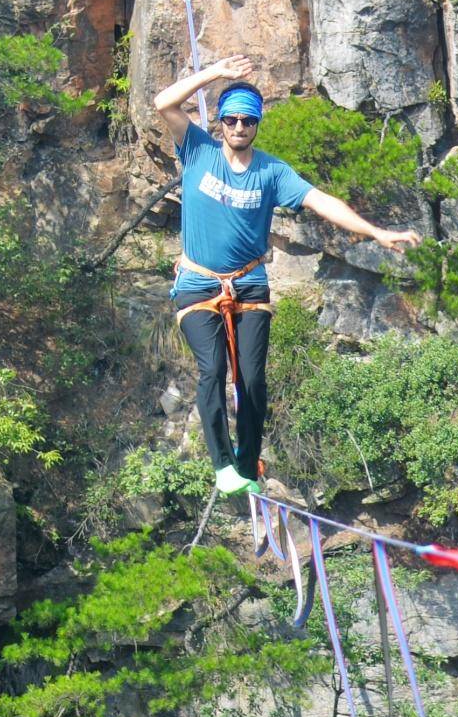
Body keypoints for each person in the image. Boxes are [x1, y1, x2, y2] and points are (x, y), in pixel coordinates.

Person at [134, 54, 421, 497]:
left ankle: (247, 464)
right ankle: (222, 465)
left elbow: (321, 200)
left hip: (248, 282)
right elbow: (163, 103)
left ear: (256, 125)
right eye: (230, 119)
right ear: (221, 124)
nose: (238, 128)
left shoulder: (271, 172)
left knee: (251, 378)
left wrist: (376, 232)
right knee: (212, 370)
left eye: (247, 121)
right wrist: (216, 74)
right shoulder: (198, 150)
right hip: (196, 281)